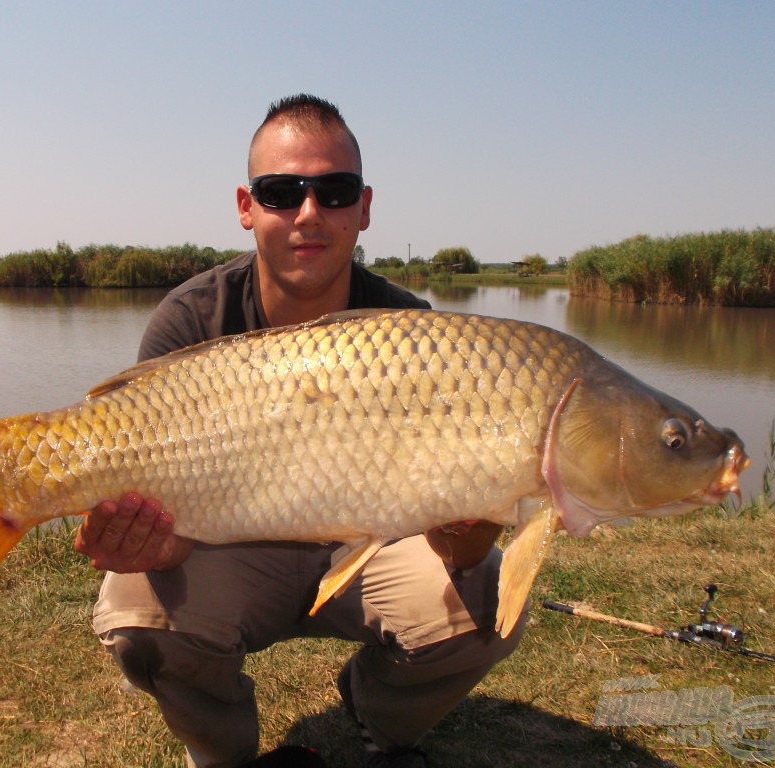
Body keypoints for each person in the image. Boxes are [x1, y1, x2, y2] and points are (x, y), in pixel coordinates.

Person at [74, 94, 525, 768]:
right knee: (135, 612)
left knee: (493, 595)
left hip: (366, 554)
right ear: (246, 206)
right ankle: (225, 753)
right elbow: (170, 540)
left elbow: (451, 545)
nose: (309, 213)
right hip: (232, 555)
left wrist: (471, 532)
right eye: (282, 191)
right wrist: (151, 547)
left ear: (364, 207)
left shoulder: (415, 330)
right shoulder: (190, 319)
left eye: (335, 191)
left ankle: (378, 712)